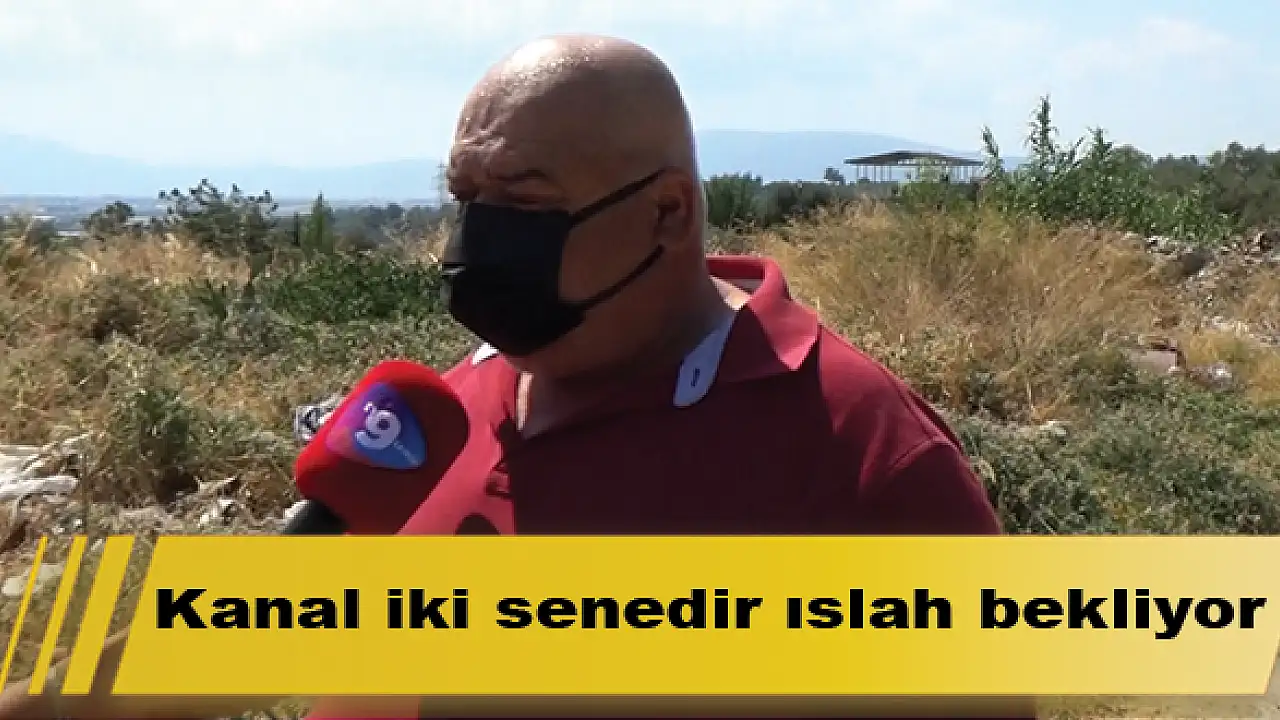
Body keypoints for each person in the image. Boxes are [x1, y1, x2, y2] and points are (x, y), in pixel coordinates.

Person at [0, 34, 1023, 720]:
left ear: (666, 213)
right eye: (465, 198)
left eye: (524, 205)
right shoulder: (436, 410)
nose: (478, 241)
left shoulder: (862, 457)